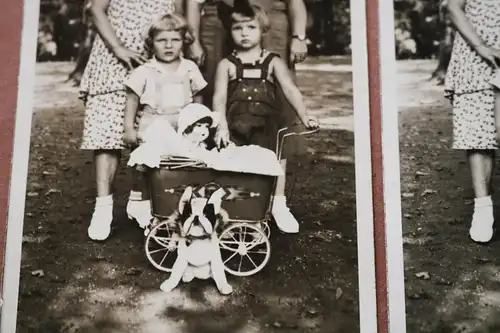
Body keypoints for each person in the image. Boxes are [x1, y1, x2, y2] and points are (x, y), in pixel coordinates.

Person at [79, 0, 184, 241]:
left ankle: (140, 200)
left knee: (153, 130)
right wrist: (117, 48)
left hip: (155, 56)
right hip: (113, 55)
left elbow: (176, 15)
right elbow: (95, 8)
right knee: (106, 134)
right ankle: (103, 208)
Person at [212, 3, 318, 233]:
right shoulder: (227, 65)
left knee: (275, 160)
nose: (244, 33)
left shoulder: (273, 62)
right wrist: (221, 127)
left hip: (266, 125)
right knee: (235, 164)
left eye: (251, 27)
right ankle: (238, 208)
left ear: (262, 30)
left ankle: (278, 204)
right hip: (236, 125)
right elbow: (219, 98)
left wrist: (306, 116)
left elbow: (290, 90)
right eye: (238, 28)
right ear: (230, 32)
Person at [122, 13, 208, 231]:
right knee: (148, 163)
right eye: (161, 40)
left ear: (184, 41)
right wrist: (128, 128)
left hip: (183, 126)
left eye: (175, 40)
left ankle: (179, 204)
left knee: (184, 164)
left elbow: (198, 100)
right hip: (154, 124)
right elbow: (132, 101)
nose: (168, 46)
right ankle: (138, 201)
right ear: (151, 43)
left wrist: (200, 124)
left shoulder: (189, 68)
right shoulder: (144, 71)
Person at [445, 0, 500, 243]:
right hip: (477, 54)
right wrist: (481, 47)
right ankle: (483, 208)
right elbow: (453, 6)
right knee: (479, 134)